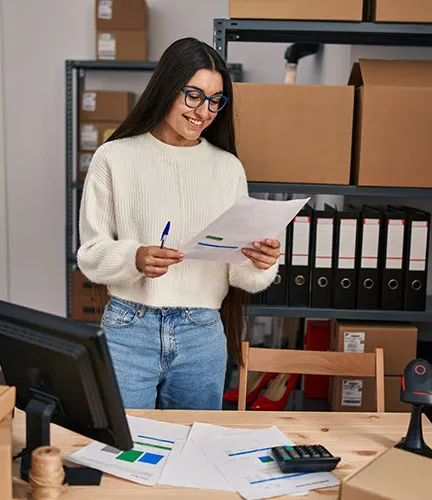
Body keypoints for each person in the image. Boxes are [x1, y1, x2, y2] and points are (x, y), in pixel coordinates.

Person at [77, 37, 280, 410]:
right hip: (128, 327)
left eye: (215, 100)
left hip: (201, 332)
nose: (203, 111)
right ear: (168, 88)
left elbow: (239, 274)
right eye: (193, 95)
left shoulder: (227, 167)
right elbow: (89, 255)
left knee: (196, 447)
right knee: (123, 450)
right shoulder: (115, 157)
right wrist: (134, 258)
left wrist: (260, 263)